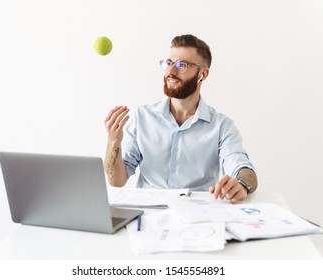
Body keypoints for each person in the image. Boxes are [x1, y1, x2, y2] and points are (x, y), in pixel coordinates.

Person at [104, 34, 257, 202]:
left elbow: (243, 169)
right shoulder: (142, 117)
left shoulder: (222, 126)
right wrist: (113, 142)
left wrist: (242, 184)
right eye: (169, 63)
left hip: (198, 216)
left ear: (203, 74)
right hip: (148, 216)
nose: (171, 71)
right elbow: (116, 181)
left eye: (181, 65)